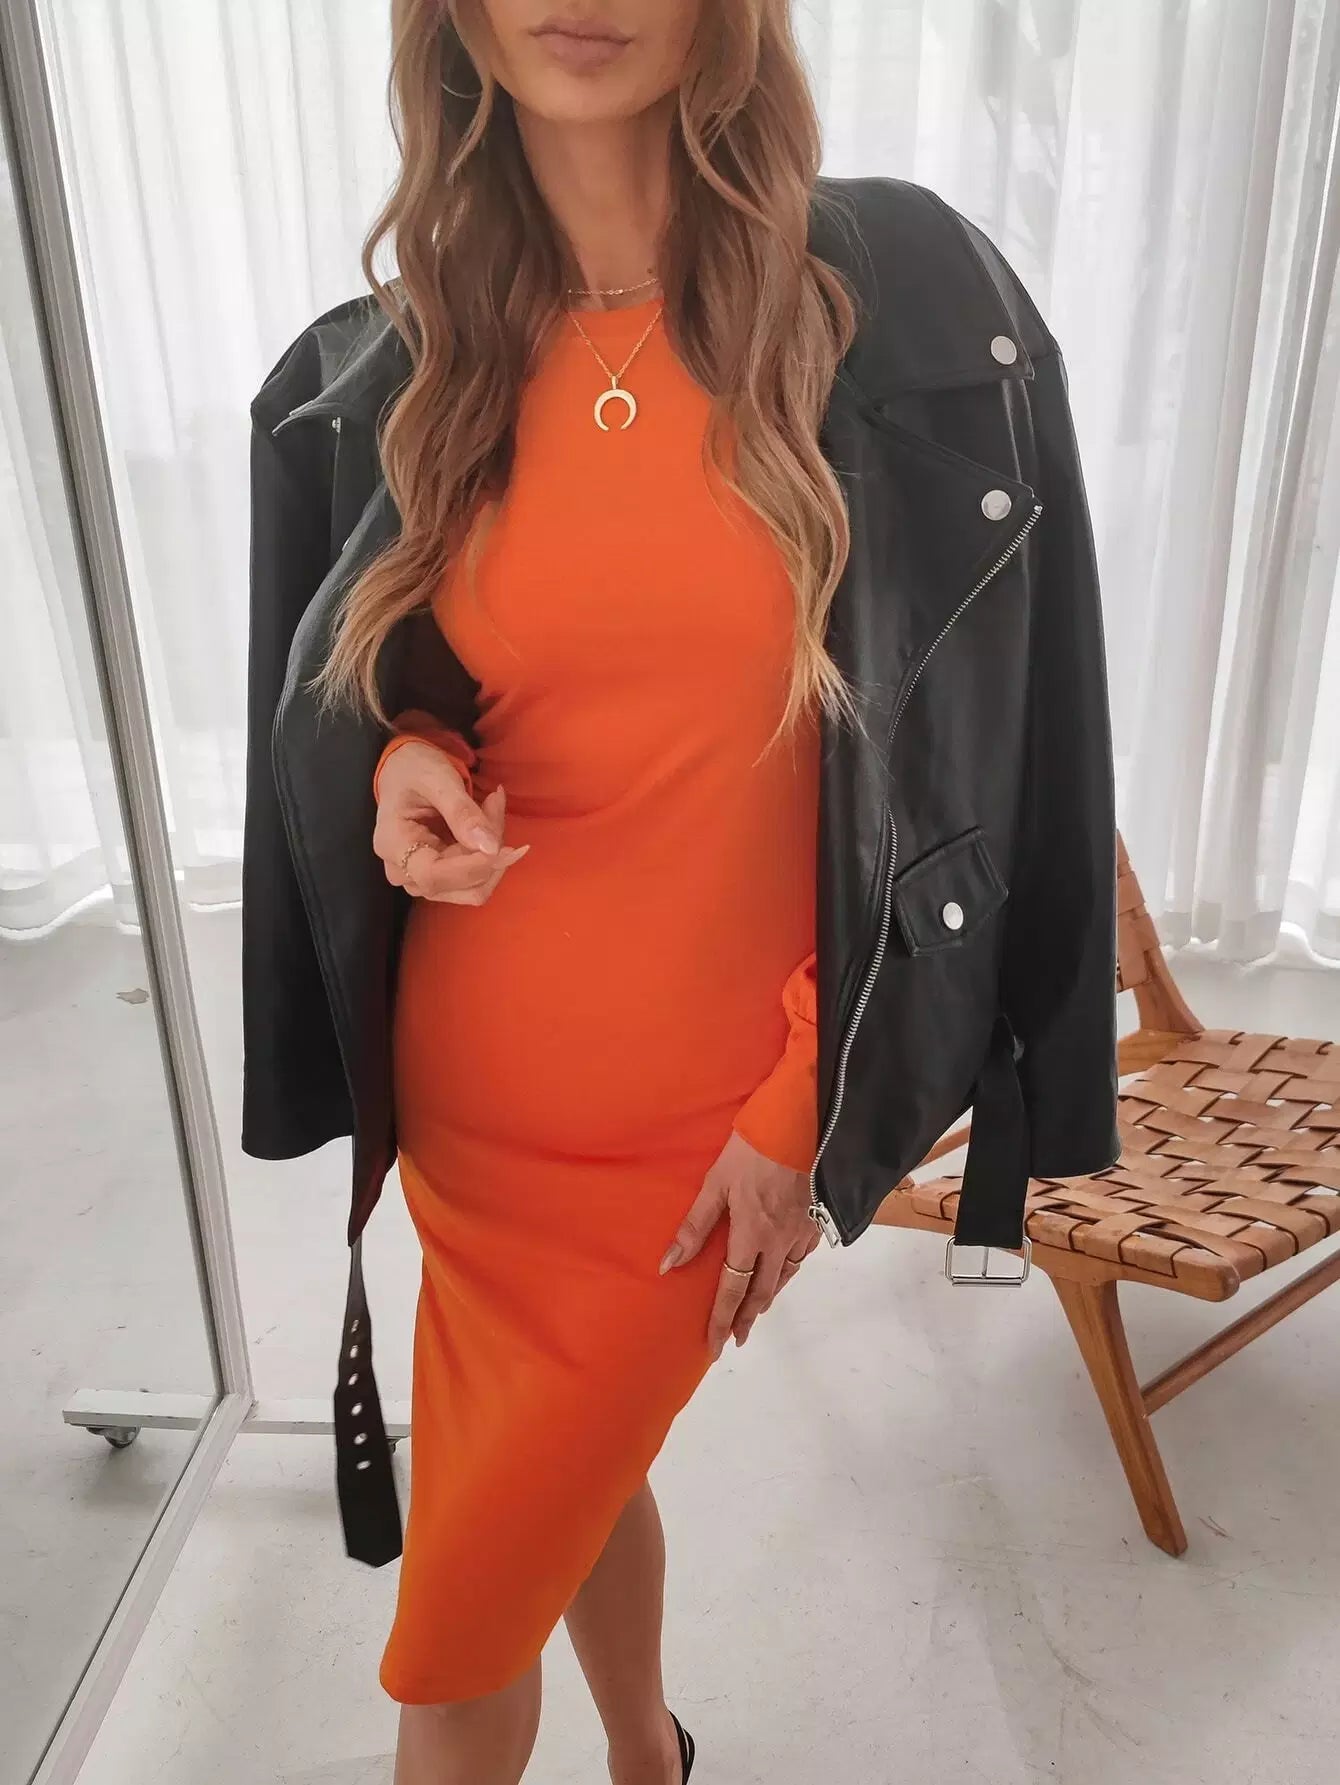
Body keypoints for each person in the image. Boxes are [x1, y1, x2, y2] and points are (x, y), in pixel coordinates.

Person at [242, 2, 1120, 1780]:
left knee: (454, 1638)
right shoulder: (419, 354)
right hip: (477, 1097)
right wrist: (409, 755)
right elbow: (432, 671)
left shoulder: (894, 309)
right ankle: (651, 1752)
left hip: (701, 1124)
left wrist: (806, 1107)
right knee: (563, 1476)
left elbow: (987, 741)